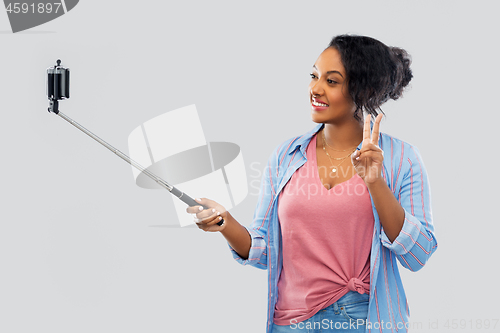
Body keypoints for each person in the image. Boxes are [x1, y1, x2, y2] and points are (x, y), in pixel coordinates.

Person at [186, 34, 438, 333]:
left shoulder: (402, 158)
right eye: (314, 76)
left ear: (364, 90)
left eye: (331, 81)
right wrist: (225, 222)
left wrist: (375, 182)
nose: (315, 89)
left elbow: (418, 254)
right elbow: (267, 251)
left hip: (361, 319)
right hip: (290, 321)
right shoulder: (286, 155)